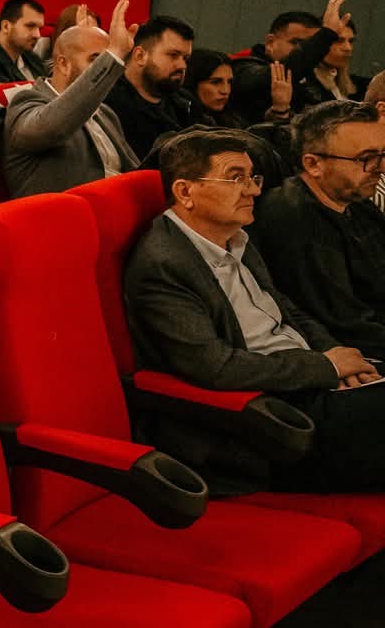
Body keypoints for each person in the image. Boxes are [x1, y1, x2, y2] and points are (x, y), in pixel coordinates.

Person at [125, 128, 385, 486]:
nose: (253, 190)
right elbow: (215, 368)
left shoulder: (235, 235)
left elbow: (285, 309)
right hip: (268, 418)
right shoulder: (164, 265)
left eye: (253, 177)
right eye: (236, 178)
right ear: (185, 191)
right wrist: (324, 367)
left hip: (306, 378)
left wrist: (334, 354)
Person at [252, 102, 385, 357]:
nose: (381, 168)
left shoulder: (354, 200)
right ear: (313, 164)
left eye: (383, 155)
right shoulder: (295, 218)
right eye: (366, 158)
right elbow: (348, 326)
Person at [1, 0, 138, 198]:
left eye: (104, 61)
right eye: (96, 60)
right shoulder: (25, 103)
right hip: (63, 213)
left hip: (119, 204)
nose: (103, 69)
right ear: (64, 64)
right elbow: (55, 126)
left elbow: (134, 170)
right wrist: (114, 53)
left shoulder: (105, 113)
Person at [231, 0, 343, 124]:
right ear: (270, 42)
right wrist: (326, 35)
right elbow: (281, 73)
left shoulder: (308, 75)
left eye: (309, 44)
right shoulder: (243, 68)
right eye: (296, 43)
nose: (301, 49)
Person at [104, 15, 194, 161]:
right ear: (140, 56)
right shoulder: (108, 103)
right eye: (173, 55)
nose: (182, 65)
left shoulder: (185, 104)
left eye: (185, 58)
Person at [0, 0, 50, 88]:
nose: (37, 35)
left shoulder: (34, 59)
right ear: (6, 26)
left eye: (40, 28)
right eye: (30, 26)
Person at [294, 8, 359, 112]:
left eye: (350, 41)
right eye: (338, 40)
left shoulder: (357, 87)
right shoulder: (301, 83)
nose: (348, 48)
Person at [183, 49, 246, 129]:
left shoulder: (235, 121)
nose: (225, 91)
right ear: (193, 83)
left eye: (229, 82)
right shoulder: (178, 123)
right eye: (215, 82)